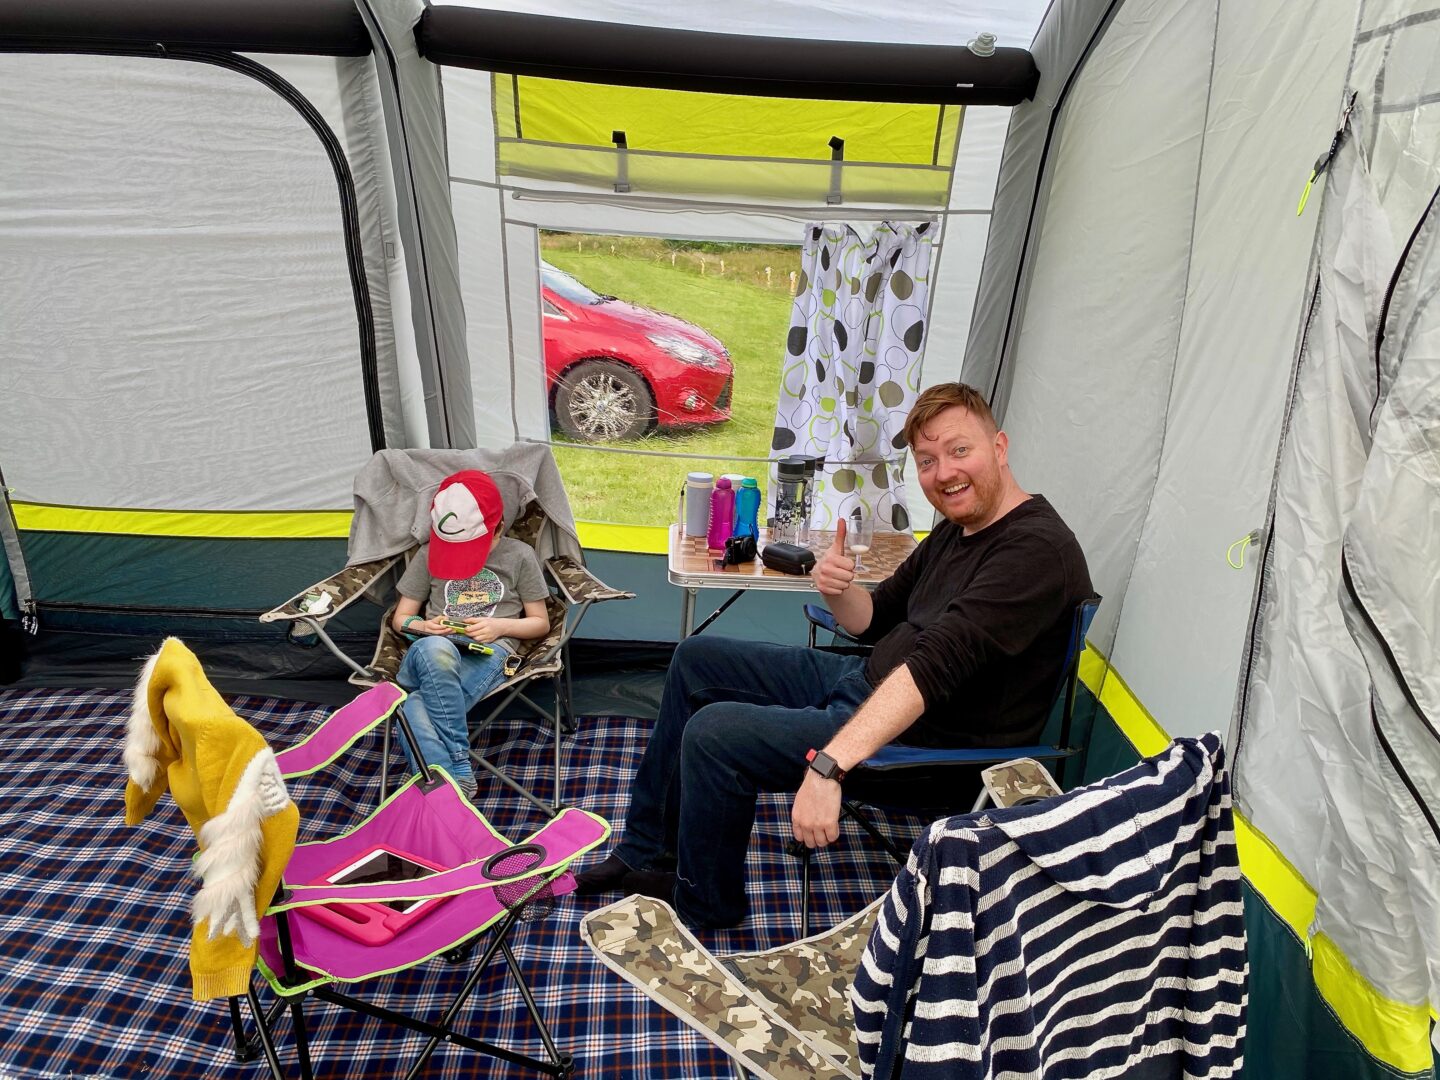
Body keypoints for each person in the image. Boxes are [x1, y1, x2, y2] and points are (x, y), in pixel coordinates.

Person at [576, 382, 1093, 928]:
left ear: (1000, 446)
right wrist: (835, 587)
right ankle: (647, 852)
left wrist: (828, 766)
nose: (943, 473)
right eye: (926, 460)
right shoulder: (958, 530)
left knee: (714, 734)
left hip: (926, 741)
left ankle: (705, 908)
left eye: (959, 450)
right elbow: (873, 619)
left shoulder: (1035, 553)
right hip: (866, 680)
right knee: (697, 658)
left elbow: (929, 671)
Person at [391, 469, 550, 799]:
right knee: (436, 647)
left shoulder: (519, 556)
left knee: (412, 708)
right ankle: (460, 762)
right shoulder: (427, 555)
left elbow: (540, 623)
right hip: (431, 652)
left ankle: (441, 787)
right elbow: (401, 619)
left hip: (490, 653)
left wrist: (500, 626)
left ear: (498, 529)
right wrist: (422, 626)